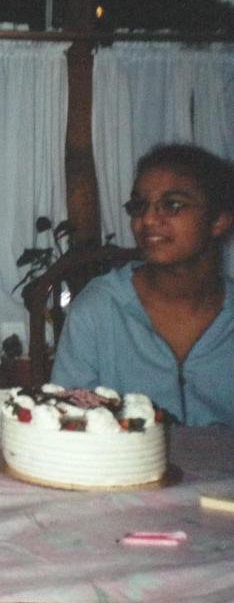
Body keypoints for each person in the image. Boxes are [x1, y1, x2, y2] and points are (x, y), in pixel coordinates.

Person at [52, 143, 234, 425]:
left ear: (219, 220)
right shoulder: (98, 310)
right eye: (139, 206)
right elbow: (68, 424)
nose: (147, 219)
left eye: (173, 204)